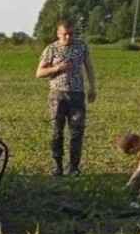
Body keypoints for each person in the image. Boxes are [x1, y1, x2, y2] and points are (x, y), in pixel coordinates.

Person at [35, 20, 97, 176]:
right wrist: (57, 68)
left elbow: (89, 67)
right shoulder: (51, 49)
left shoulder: (81, 46)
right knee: (57, 132)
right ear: (58, 34)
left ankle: (74, 167)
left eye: (71, 34)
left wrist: (92, 87)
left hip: (77, 95)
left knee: (77, 132)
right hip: (57, 95)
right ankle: (57, 166)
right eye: (65, 34)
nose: (68, 37)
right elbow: (39, 73)